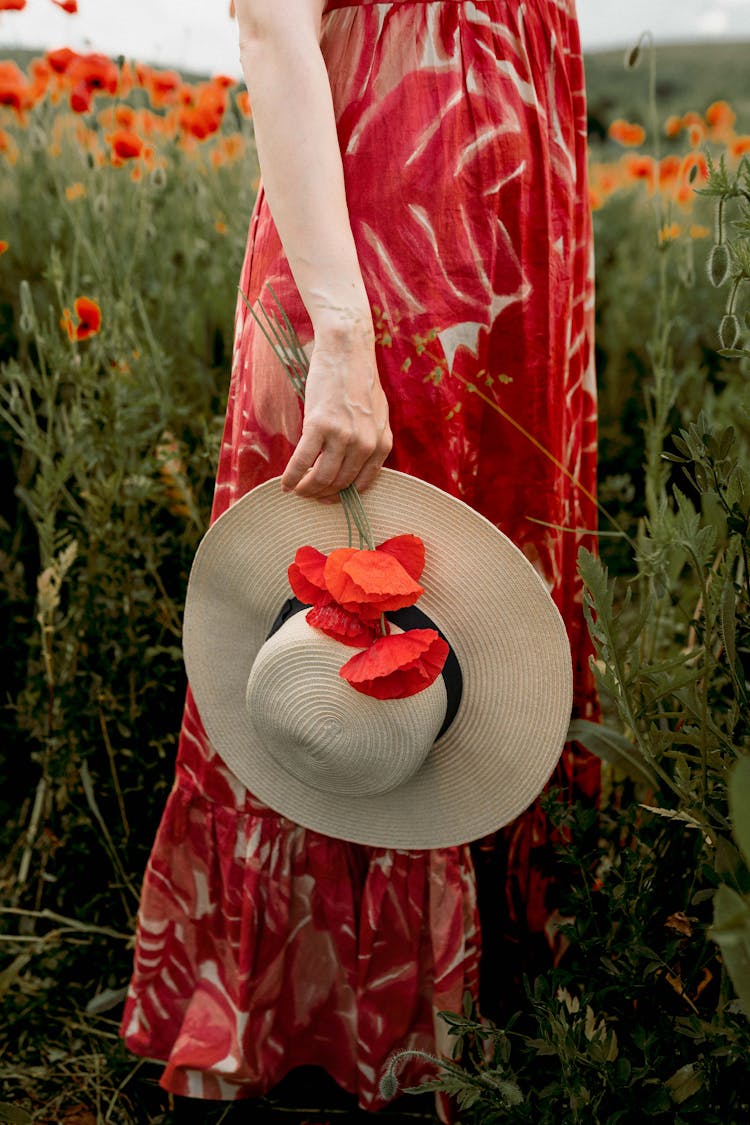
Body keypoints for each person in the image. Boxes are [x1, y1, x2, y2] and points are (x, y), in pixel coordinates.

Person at [121, 0, 600, 1114]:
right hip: (387, 269)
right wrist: (340, 331)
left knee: (489, 622)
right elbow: (272, 25)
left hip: (508, 275)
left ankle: (486, 987)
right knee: (363, 611)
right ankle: (331, 1019)